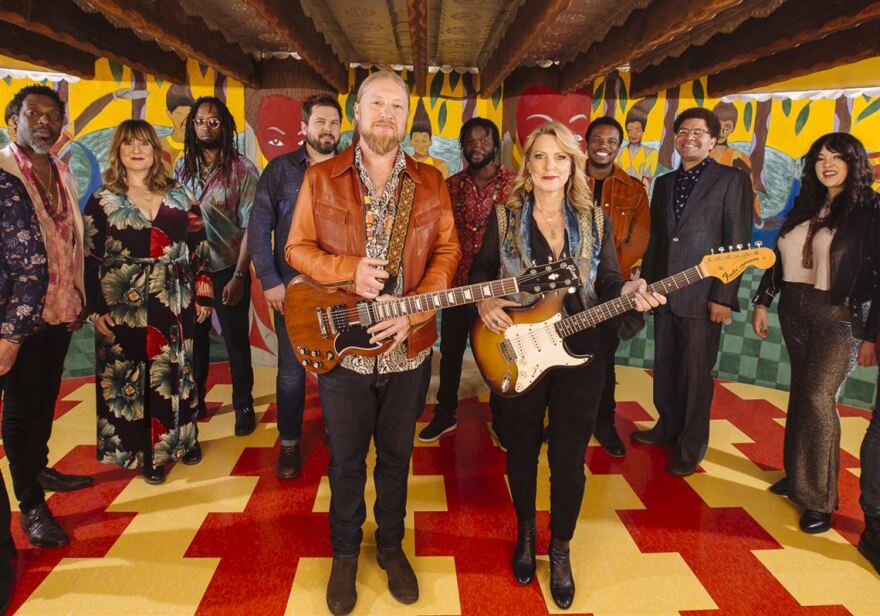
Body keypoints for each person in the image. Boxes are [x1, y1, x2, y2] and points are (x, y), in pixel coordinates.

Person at [285, 70, 460, 615]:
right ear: (357, 112)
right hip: (344, 349)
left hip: (409, 347)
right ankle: (344, 554)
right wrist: (348, 270)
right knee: (345, 461)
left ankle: (389, 546)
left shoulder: (431, 181)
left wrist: (416, 309)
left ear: (406, 117)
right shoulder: (321, 178)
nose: (387, 113)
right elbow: (296, 249)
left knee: (398, 456)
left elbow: (448, 253)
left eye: (397, 105)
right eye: (376, 103)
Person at [469, 121, 664, 609]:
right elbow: (480, 271)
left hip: (583, 350)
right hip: (519, 347)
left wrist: (631, 291)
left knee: (568, 459)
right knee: (520, 449)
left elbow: (611, 281)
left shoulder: (595, 221)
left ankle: (559, 548)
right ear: (528, 165)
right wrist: (486, 301)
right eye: (540, 156)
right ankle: (525, 535)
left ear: (573, 164)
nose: (549, 166)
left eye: (559, 157)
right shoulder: (504, 218)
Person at [752, 132, 880, 534]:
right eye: (821, 158)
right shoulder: (806, 203)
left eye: (837, 157)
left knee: (818, 398)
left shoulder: (870, 209)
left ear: (853, 163)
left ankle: (820, 499)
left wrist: (872, 335)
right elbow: (778, 258)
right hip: (794, 307)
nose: (827, 165)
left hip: (841, 314)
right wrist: (762, 300)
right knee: (801, 392)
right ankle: (798, 476)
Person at [83, 120, 212, 484]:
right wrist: (95, 309)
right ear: (118, 152)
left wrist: (203, 291)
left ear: (155, 151)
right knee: (133, 376)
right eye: (129, 144)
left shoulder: (179, 194)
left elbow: (199, 245)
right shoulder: (102, 199)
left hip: (175, 297)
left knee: (178, 371)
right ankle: (147, 454)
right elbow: (89, 256)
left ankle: (183, 440)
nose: (137, 150)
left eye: (144, 143)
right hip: (123, 303)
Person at [634, 107, 752, 477]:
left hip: (704, 297)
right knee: (665, 367)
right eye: (684, 131)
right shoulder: (665, 183)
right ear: (675, 137)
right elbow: (657, 241)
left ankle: (689, 447)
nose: (690, 138)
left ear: (714, 139)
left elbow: (737, 243)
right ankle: (666, 427)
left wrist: (724, 296)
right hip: (664, 293)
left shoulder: (731, 180)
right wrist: (649, 287)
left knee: (696, 375)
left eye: (700, 132)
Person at [0, 85, 93, 548]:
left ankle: (38, 467)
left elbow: (72, 239)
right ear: (12, 119)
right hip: (14, 318)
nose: (44, 122)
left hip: (59, 307)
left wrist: (78, 295)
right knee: (20, 410)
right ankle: (31, 504)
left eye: (53, 115)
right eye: (33, 113)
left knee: (44, 399)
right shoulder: (3, 172)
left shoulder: (61, 169)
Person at [250, 93, 342, 479]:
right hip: (293, 291)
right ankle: (289, 443)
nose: (328, 129)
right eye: (320, 122)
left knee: (339, 366)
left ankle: (338, 434)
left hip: (340, 290)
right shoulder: (280, 171)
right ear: (304, 127)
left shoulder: (350, 168)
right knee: (291, 370)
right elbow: (259, 228)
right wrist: (270, 281)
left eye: (334, 123)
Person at [418, 117, 513, 444]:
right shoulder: (451, 186)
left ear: (494, 144)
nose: (477, 147)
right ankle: (445, 414)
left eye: (484, 140)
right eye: (470, 141)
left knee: (499, 354)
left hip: (496, 288)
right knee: (451, 351)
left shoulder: (515, 186)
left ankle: (502, 422)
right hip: (457, 286)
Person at [176, 96, 260, 436]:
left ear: (225, 126)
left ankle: (243, 405)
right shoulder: (182, 167)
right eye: (199, 121)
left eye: (213, 121)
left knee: (236, 343)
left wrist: (239, 276)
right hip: (190, 270)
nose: (206, 127)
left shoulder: (243, 170)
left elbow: (251, 227)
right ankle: (195, 400)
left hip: (228, 268)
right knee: (194, 341)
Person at [584, 116, 650, 457]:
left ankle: (604, 423)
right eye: (597, 139)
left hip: (611, 289)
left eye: (611, 140)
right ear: (586, 143)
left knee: (604, 359)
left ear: (619, 146)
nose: (603, 145)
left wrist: (610, 277)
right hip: (569, 289)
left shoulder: (633, 189)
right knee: (565, 357)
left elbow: (638, 240)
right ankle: (568, 420)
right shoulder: (567, 180)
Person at [0, 168, 49, 608]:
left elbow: (30, 265)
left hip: (4, 334)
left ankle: (29, 507)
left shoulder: (3, 187)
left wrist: (11, 337)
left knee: (22, 416)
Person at [617, 101, 658, 191]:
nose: (633, 134)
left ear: (643, 130)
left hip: (639, 194)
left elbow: (646, 182)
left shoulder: (651, 153)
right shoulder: (619, 152)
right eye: (630, 130)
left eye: (637, 130)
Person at [409, 99, 449, 178]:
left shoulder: (440, 166)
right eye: (416, 141)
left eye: (424, 141)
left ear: (430, 142)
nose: (420, 145)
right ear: (411, 142)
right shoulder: (405, 164)